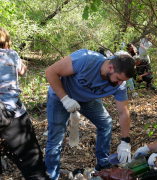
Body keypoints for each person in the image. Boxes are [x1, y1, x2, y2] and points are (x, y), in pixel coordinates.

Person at [45, 49, 136, 180]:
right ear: (110, 67)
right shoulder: (86, 59)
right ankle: (51, 176)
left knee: (106, 123)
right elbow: (51, 71)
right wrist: (65, 99)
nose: (121, 83)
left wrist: (125, 141)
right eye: (119, 79)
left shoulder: (119, 85)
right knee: (55, 138)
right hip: (60, 96)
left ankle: (102, 165)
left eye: (124, 81)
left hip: (86, 100)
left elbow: (123, 112)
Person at [0, 27, 51, 179]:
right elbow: (22, 71)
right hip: (12, 118)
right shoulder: (11, 54)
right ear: (7, 42)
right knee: (35, 170)